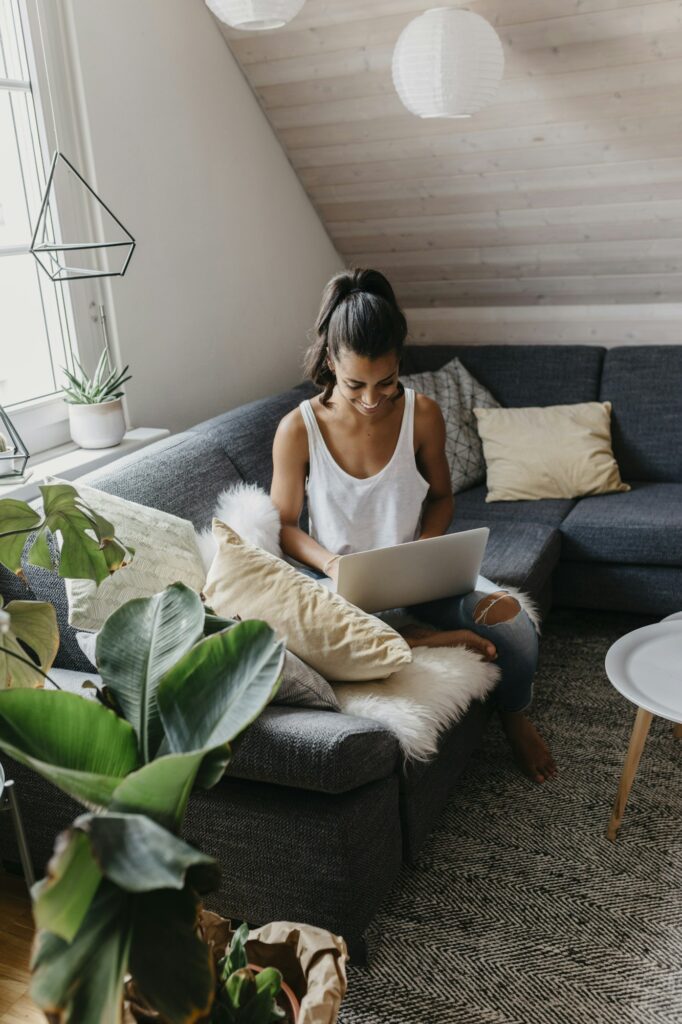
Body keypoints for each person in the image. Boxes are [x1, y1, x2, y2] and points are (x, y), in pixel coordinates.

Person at [271, 268, 557, 784]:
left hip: (420, 581)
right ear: (330, 361)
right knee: (300, 648)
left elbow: (443, 496)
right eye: (355, 384)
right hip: (341, 590)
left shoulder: (421, 414)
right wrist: (332, 563)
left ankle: (514, 716)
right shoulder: (298, 429)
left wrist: (425, 549)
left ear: (399, 362)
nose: (372, 399)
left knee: (515, 625)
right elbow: (285, 525)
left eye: (385, 381)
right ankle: (422, 640)